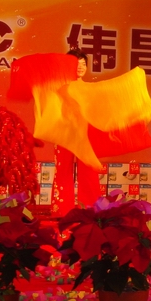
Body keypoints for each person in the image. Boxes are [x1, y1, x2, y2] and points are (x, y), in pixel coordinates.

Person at [52, 48, 101, 216]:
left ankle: (90, 210)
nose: (80, 67)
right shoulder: (58, 87)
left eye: (83, 63)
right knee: (63, 171)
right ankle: (62, 211)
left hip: (85, 134)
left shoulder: (90, 89)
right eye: (76, 63)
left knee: (89, 171)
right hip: (64, 132)